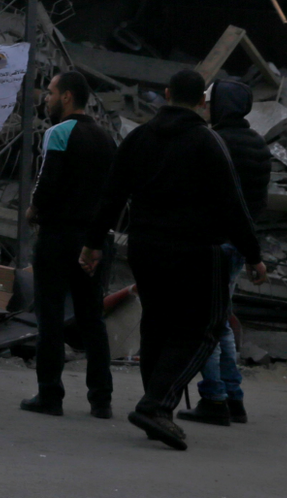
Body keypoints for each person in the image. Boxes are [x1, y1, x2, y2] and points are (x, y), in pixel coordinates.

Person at [82, 68, 266, 451]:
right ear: (202, 101)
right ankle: (156, 405)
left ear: (167, 94)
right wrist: (253, 254)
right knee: (205, 326)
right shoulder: (207, 142)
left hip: (146, 248)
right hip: (197, 250)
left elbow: (110, 196)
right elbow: (233, 205)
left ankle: (156, 407)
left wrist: (92, 243)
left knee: (158, 325)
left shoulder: (138, 138)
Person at [22, 70, 118, 419]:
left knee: (49, 316)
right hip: (94, 241)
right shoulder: (107, 139)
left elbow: (48, 181)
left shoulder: (58, 133)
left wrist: (33, 211)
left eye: (50, 93)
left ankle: (50, 394)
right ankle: (101, 399)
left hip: (59, 237)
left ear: (66, 97)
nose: (45, 99)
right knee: (92, 317)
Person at [179, 76, 270, 427]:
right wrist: (251, 250)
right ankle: (233, 397)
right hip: (238, 244)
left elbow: (200, 198)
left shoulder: (213, 141)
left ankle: (214, 397)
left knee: (205, 325)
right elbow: (256, 205)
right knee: (221, 323)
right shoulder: (258, 144)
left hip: (210, 244)